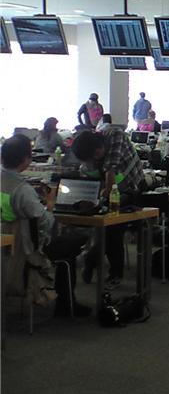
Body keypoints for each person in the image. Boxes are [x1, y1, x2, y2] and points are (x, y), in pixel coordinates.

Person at [1, 135, 91, 316]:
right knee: (74, 242)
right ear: (26, 159)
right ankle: (66, 304)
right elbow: (45, 223)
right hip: (26, 249)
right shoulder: (22, 190)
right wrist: (49, 204)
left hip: (4, 247)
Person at [72, 126, 145, 289]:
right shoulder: (92, 151)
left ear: (99, 145)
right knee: (108, 230)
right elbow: (87, 171)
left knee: (114, 229)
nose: (95, 158)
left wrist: (103, 197)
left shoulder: (116, 136)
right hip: (108, 192)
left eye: (96, 155)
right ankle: (97, 262)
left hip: (130, 188)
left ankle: (103, 266)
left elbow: (110, 170)